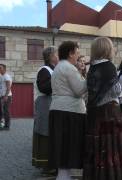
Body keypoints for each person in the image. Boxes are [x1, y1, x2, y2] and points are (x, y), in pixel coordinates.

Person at [83, 37, 122, 180]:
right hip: (109, 112)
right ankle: (112, 176)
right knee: (111, 146)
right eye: (111, 47)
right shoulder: (108, 66)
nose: (113, 49)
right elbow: (115, 90)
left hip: (94, 111)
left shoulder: (92, 67)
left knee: (98, 146)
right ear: (106, 49)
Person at [48, 41, 87, 180]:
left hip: (59, 109)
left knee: (62, 145)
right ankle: (64, 177)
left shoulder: (60, 66)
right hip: (69, 111)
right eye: (77, 52)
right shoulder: (69, 68)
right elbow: (79, 90)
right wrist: (89, 79)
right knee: (68, 144)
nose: (78, 56)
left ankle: (63, 175)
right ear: (70, 53)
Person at [32, 46, 59, 175]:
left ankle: (52, 163)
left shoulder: (54, 70)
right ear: (50, 57)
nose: (59, 56)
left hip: (52, 104)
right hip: (44, 104)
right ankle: (45, 165)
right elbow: (44, 88)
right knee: (45, 132)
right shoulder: (44, 70)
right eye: (57, 54)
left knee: (52, 132)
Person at [0, 64, 13, 130]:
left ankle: (7, 126)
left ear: (4, 69)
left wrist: (5, 96)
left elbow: (8, 87)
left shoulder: (6, 76)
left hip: (7, 96)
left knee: (6, 111)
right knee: (1, 111)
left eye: (0, 68)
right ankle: (2, 124)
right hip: (2, 96)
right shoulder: (1, 76)